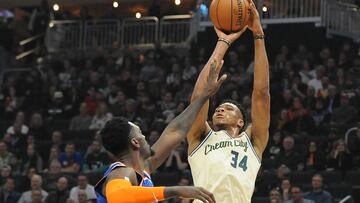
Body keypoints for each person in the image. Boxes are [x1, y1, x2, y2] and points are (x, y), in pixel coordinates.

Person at [94, 57, 227, 203]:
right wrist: (176, 190)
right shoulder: (121, 172)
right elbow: (118, 197)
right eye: (141, 134)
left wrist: (204, 96)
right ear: (135, 142)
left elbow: (175, 131)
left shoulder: (144, 168)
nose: (145, 137)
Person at [187, 2, 270, 202]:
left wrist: (258, 35)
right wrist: (222, 42)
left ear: (241, 122)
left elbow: (261, 94)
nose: (220, 109)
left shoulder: (252, 141)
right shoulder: (200, 137)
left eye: (228, 108)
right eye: (218, 108)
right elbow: (198, 98)